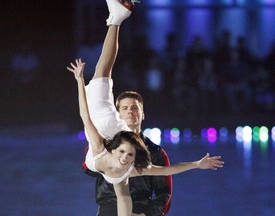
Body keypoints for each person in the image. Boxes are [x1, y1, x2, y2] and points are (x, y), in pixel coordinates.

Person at [67, 0, 224, 215]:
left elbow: (166, 171)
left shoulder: (131, 166)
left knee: (103, 71)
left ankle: (117, 18)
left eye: (129, 155)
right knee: (103, 70)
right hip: (106, 127)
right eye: (124, 153)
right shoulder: (105, 150)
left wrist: (197, 165)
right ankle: (116, 19)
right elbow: (85, 117)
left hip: (111, 143)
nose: (124, 158)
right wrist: (79, 81)